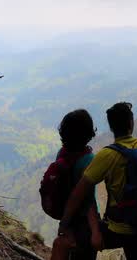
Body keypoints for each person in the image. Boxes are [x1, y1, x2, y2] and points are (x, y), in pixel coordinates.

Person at [57, 102, 137, 260]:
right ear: (131, 123)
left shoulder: (107, 155)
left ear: (111, 127)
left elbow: (78, 194)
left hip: (122, 228)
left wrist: (64, 224)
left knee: (80, 238)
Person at [49, 109, 101, 260]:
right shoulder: (89, 160)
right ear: (88, 133)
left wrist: (64, 223)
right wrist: (96, 231)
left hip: (67, 218)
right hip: (85, 223)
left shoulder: (62, 153)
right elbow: (88, 200)